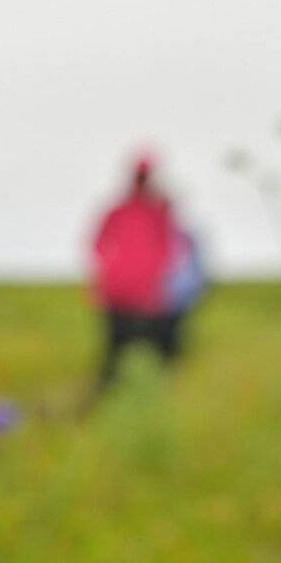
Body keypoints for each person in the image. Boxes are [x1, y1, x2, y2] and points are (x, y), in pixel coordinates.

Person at [88, 154, 191, 393]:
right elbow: (99, 244)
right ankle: (111, 394)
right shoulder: (123, 211)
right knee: (117, 351)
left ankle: (160, 395)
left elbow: (169, 251)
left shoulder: (156, 212)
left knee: (159, 351)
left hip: (144, 294)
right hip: (124, 293)